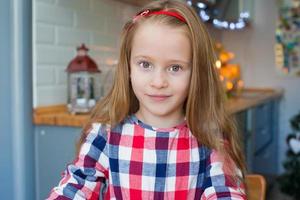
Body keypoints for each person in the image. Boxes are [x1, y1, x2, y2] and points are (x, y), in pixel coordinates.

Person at [48, 0, 246, 199]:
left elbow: (225, 192)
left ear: (197, 73)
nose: (158, 82)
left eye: (175, 68)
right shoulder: (105, 135)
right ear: (128, 68)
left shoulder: (209, 137)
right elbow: (75, 188)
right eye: (145, 64)